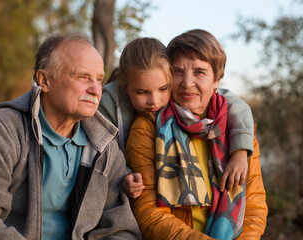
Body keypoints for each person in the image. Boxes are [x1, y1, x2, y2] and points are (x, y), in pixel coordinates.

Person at [0, 33, 141, 239]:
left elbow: (121, 228)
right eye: (83, 77)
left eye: (99, 79)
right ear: (45, 80)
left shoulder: (104, 146)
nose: (96, 89)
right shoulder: (0, 131)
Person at [125, 29, 268, 239]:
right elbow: (149, 213)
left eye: (199, 72)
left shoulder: (239, 134)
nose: (187, 83)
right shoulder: (147, 128)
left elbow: (254, 207)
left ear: (217, 79)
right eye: (177, 71)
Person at [99, 37, 254, 199]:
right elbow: (104, 154)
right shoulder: (108, 105)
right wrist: (125, 175)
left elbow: (233, 102)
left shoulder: (178, 94)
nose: (155, 100)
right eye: (142, 92)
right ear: (125, 88)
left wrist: (240, 151)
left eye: (163, 89)